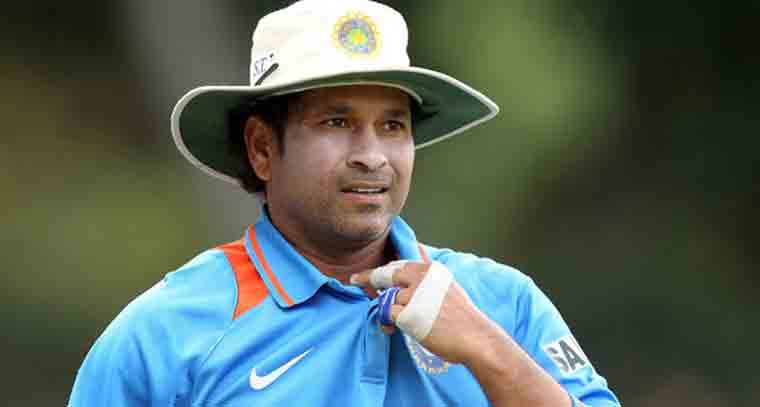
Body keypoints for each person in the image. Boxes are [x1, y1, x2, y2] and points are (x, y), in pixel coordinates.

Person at [69, 1, 621, 406]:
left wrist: (487, 350)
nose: (372, 156)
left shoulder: (502, 304)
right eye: (336, 122)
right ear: (262, 148)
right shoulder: (164, 333)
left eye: (393, 126)